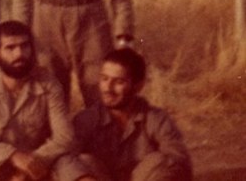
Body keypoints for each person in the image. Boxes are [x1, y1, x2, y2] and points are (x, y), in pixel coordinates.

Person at [0, 21, 87, 181]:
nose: (19, 54)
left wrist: (31, 162)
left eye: (24, 46)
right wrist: (13, 156)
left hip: (38, 166)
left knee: (74, 164)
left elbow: (64, 136)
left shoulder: (48, 83)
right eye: (10, 48)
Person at [73, 49, 192, 181]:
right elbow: (66, 161)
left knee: (162, 160)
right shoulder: (86, 120)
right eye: (104, 79)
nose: (108, 88)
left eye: (118, 82)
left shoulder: (157, 119)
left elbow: (179, 159)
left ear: (138, 86)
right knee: (80, 162)